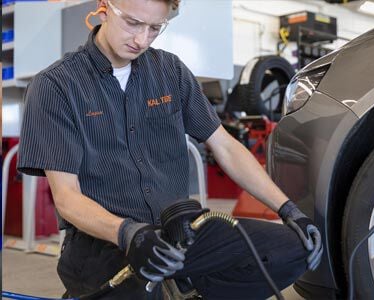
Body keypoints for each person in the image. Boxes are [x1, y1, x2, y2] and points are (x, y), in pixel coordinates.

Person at [17, 0, 323, 299]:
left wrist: (289, 210)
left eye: (154, 28)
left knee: (289, 250)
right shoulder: (56, 86)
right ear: (104, 7)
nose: (141, 39)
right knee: (138, 291)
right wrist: (129, 234)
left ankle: (182, 288)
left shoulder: (171, 71)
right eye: (133, 23)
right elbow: (67, 197)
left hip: (179, 232)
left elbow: (225, 147)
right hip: (102, 242)